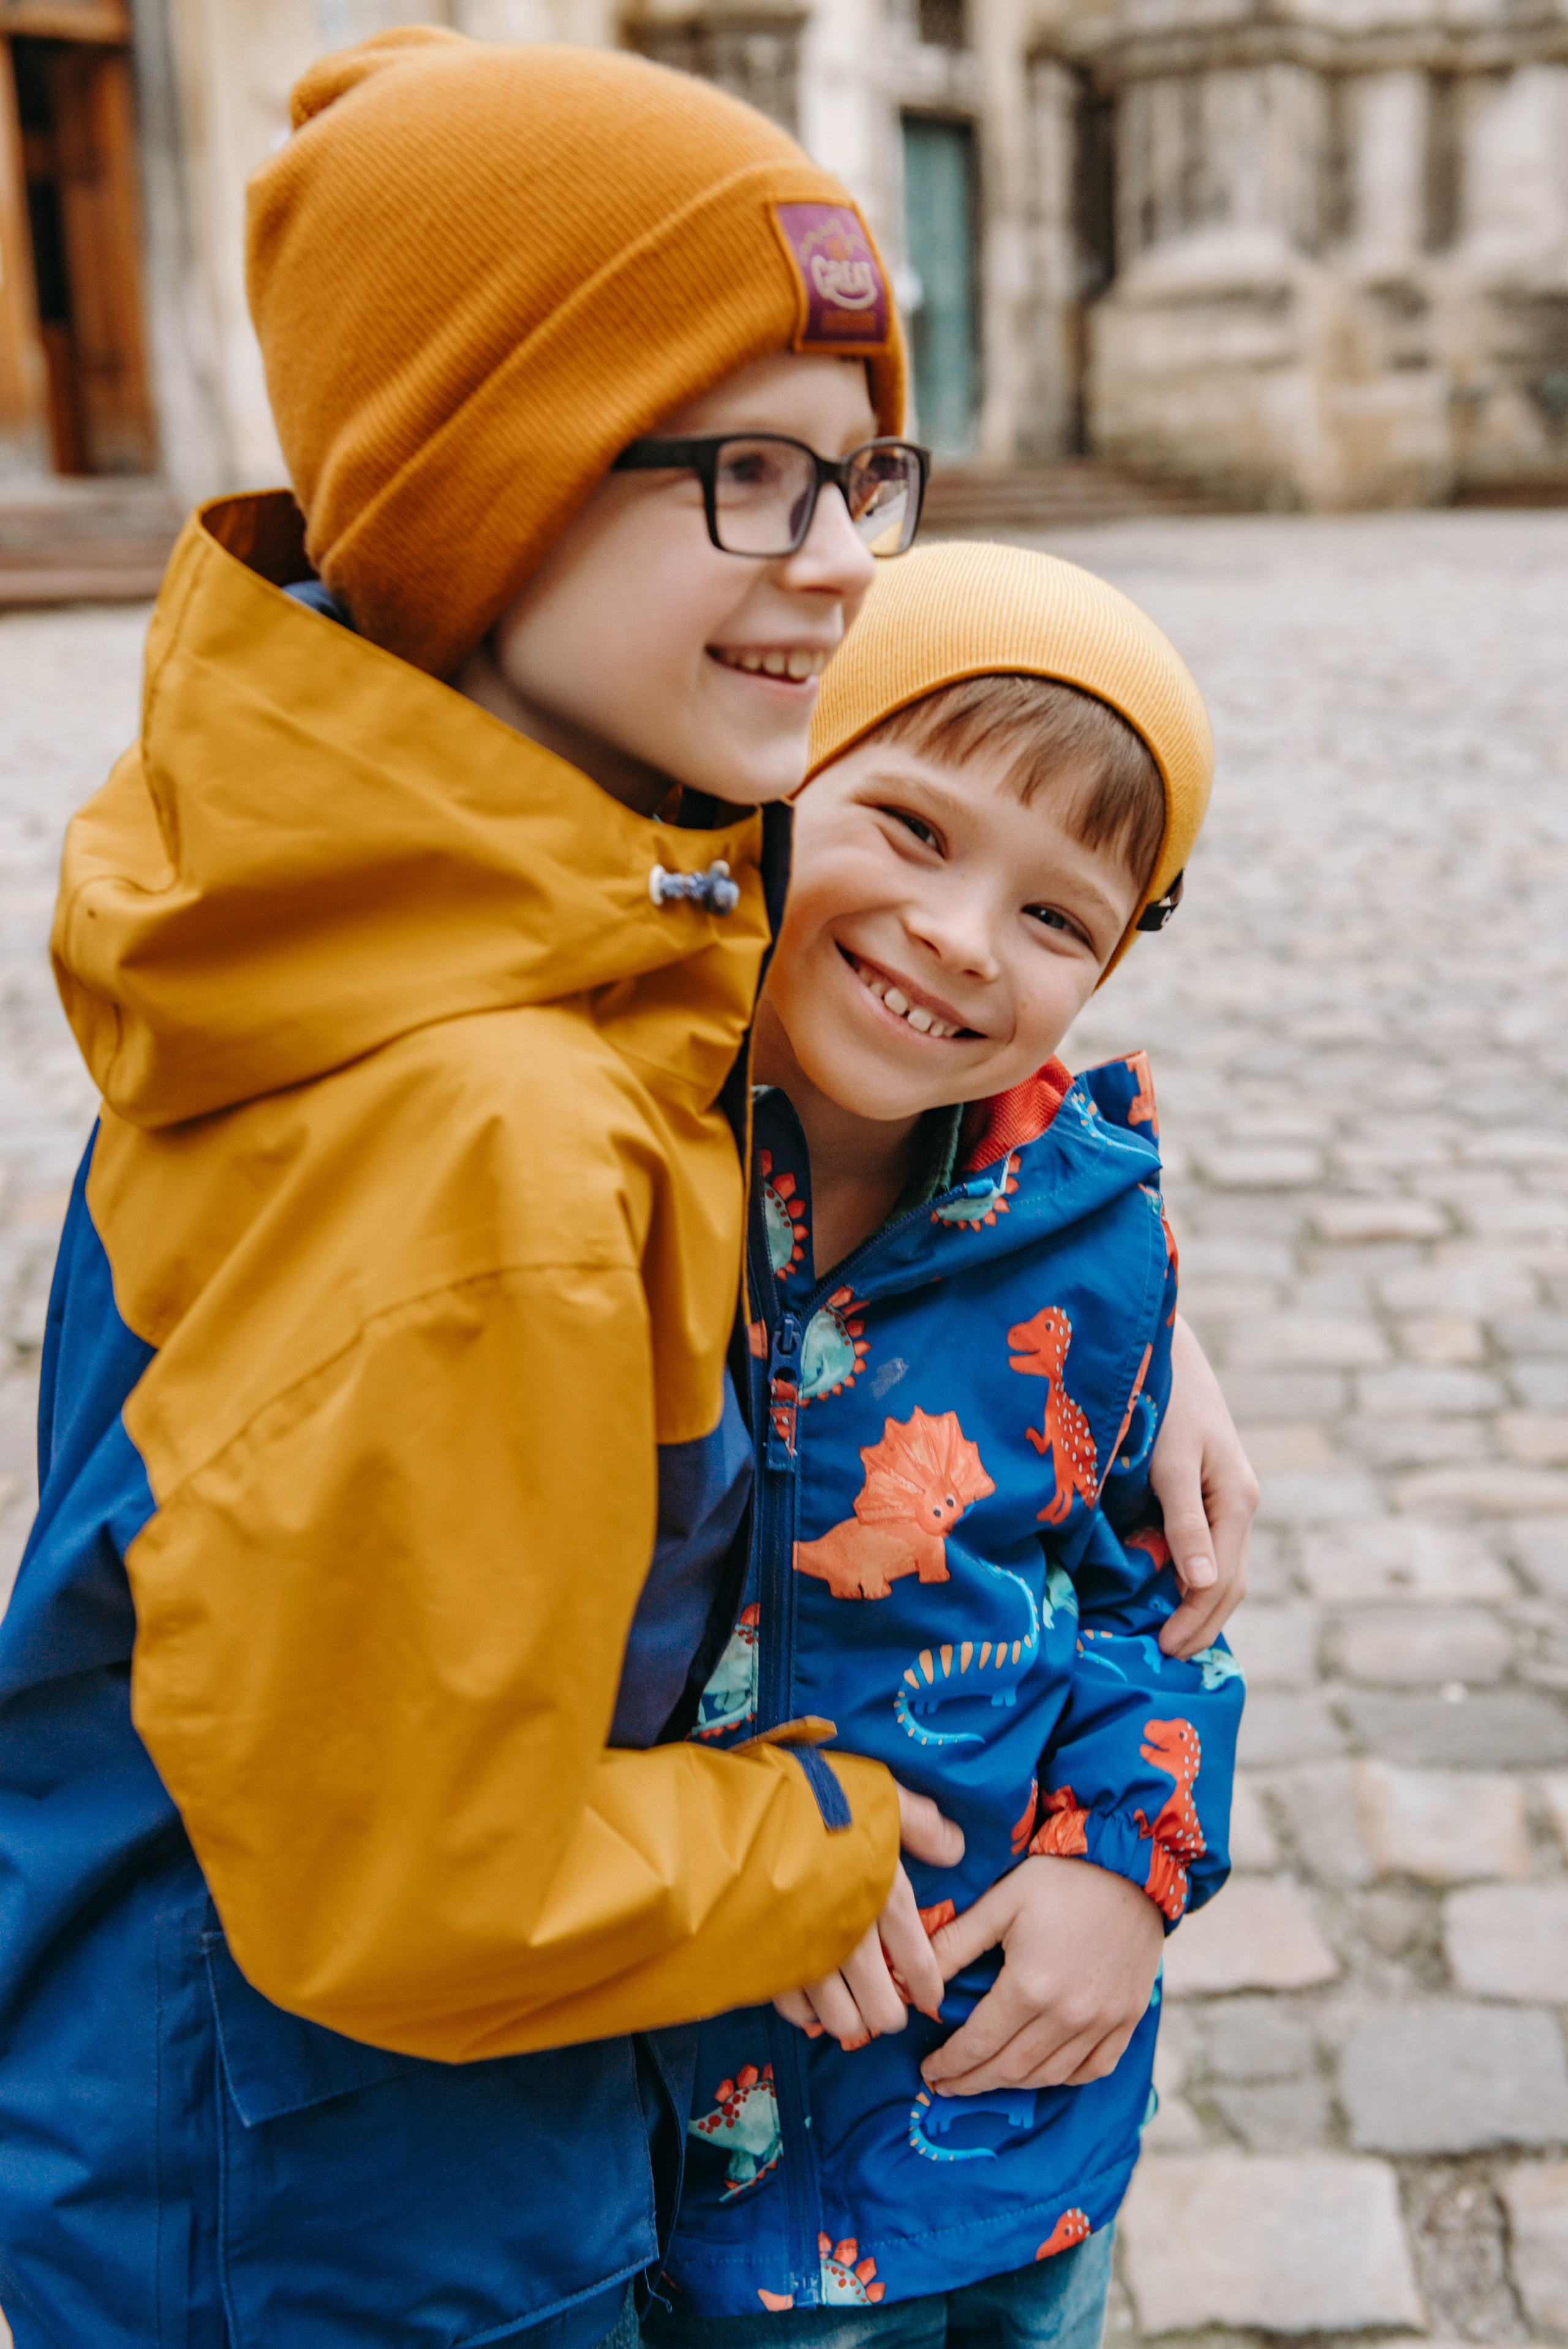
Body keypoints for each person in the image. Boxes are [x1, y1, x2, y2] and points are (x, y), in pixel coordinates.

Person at [0, 33, 1252, 2349]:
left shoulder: (419, 908)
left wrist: (1118, 1293)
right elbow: (418, 1880)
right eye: (749, 474)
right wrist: (831, 1835)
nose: (844, 556)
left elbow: (847, 1068)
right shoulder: (490, 1118)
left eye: (859, 472)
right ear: (487, 483)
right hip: (361, 2225)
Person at [651, 541, 1246, 2346]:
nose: (964, 937)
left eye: (1059, 918)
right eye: (912, 828)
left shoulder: (1093, 1236)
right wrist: (741, 1857)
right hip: (691, 2156)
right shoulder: (617, 1159)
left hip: (1015, 2134)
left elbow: (1155, 1598)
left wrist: (1125, 1864)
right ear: (780, 784)